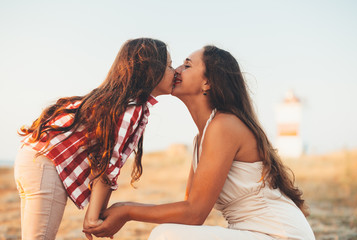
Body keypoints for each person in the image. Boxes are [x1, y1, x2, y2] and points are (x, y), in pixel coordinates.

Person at [83, 45, 316, 240]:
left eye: (187, 65)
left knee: (165, 235)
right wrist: (123, 209)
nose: (176, 70)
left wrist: (126, 211)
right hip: (250, 233)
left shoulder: (225, 125)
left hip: (279, 234)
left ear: (207, 83)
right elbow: (189, 212)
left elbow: (194, 214)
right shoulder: (202, 137)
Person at [14, 38, 175, 240]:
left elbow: (108, 165)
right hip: (47, 164)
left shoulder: (120, 101)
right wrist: (92, 218)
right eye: (169, 65)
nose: (175, 71)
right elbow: (107, 162)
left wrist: (96, 214)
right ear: (150, 70)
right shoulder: (131, 107)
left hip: (34, 157)